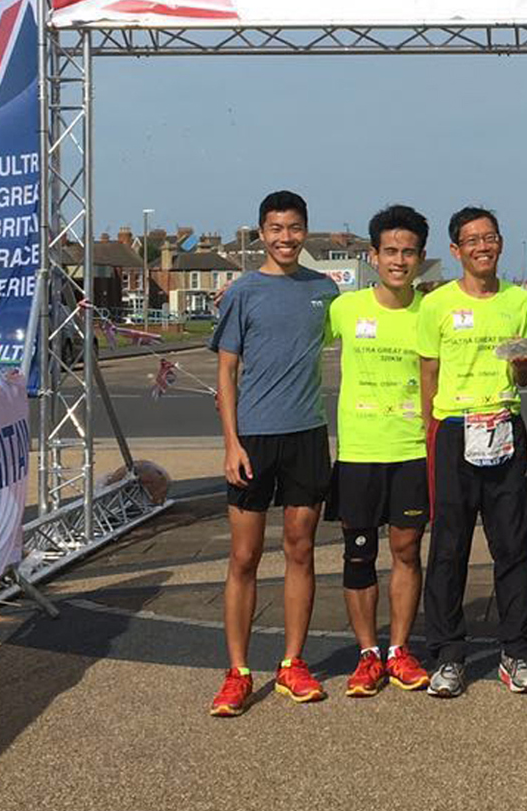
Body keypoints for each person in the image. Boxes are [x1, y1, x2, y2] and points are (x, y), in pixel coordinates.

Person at [208, 190, 340, 717]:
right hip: (254, 441)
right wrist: (232, 443)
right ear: (260, 233)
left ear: (306, 231)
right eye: (275, 228)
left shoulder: (325, 291)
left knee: (301, 549)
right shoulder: (244, 292)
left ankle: (292, 663)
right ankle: (238, 672)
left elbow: (370, 322)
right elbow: (225, 372)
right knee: (244, 557)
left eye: (294, 227)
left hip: (307, 435)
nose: (285, 237)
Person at [417, 206, 527, 698]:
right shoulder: (437, 304)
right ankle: (448, 655)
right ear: (456, 250)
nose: (482, 247)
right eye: (471, 240)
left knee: (514, 546)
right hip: (454, 428)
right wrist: (435, 428)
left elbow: (525, 375)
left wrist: (523, 368)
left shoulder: (518, 300)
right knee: (449, 547)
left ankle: (518, 653)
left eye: (489, 237)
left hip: (504, 424)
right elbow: (429, 373)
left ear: (500, 243)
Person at [324, 205, 433, 697]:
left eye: (408, 252)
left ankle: (400, 650)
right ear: (372, 256)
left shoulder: (430, 312)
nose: (399, 260)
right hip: (359, 453)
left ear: (421, 257)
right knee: (359, 555)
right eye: (390, 251)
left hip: (411, 450)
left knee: (407, 550)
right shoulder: (344, 309)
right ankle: (368, 654)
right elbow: (292, 343)